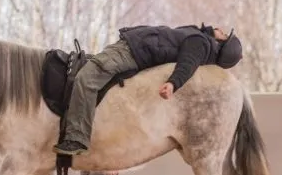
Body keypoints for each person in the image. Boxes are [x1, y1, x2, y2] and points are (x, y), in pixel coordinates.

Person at [53, 23, 243, 156]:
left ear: (220, 46)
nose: (221, 29)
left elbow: (188, 63)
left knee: (86, 78)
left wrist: (173, 83)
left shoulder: (201, 43)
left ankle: (77, 138)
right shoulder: (199, 36)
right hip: (132, 48)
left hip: (131, 50)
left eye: (224, 35)